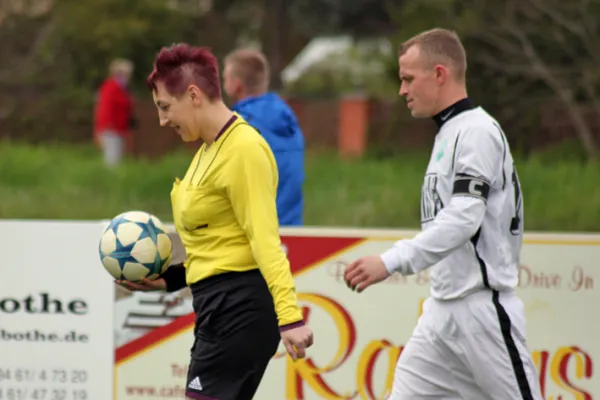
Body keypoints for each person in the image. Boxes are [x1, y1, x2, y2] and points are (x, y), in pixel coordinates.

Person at [343, 28, 543, 400]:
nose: (401, 90)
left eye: (407, 79)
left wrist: (391, 261)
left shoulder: (477, 132)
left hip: (482, 311)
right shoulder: (449, 132)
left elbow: (464, 218)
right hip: (442, 312)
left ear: (439, 74)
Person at [116, 43, 313, 400]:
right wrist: (170, 278)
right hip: (219, 309)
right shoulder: (209, 148)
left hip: (241, 310)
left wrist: (290, 317)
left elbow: (265, 241)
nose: (162, 120)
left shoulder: (244, 150)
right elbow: (220, 243)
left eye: (165, 107)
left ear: (192, 94)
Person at [222, 48, 305, 226]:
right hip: (291, 228)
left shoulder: (238, 126)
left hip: (254, 232)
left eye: (225, 78)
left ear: (236, 85)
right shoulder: (287, 118)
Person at [93, 58, 136, 167]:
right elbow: (105, 109)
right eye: (127, 74)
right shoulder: (110, 87)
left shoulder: (122, 89)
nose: (128, 77)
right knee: (112, 162)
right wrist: (103, 128)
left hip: (119, 129)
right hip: (111, 130)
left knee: (117, 161)